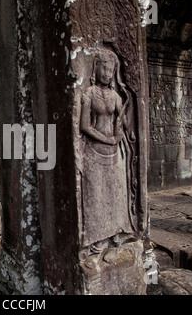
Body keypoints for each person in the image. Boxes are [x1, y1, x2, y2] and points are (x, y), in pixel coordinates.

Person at [79, 47, 132, 249]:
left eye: (110, 71)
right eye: (104, 69)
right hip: (93, 150)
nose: (107, 74)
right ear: (96, 69)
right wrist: (106, 139)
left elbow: (123, 123)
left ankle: (117, 231)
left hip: (113, 152)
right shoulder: (89, 93)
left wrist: (124, 114)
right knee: (97, 195)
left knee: (116, 193)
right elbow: (84, 126)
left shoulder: (116, 96)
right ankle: (97, 237)